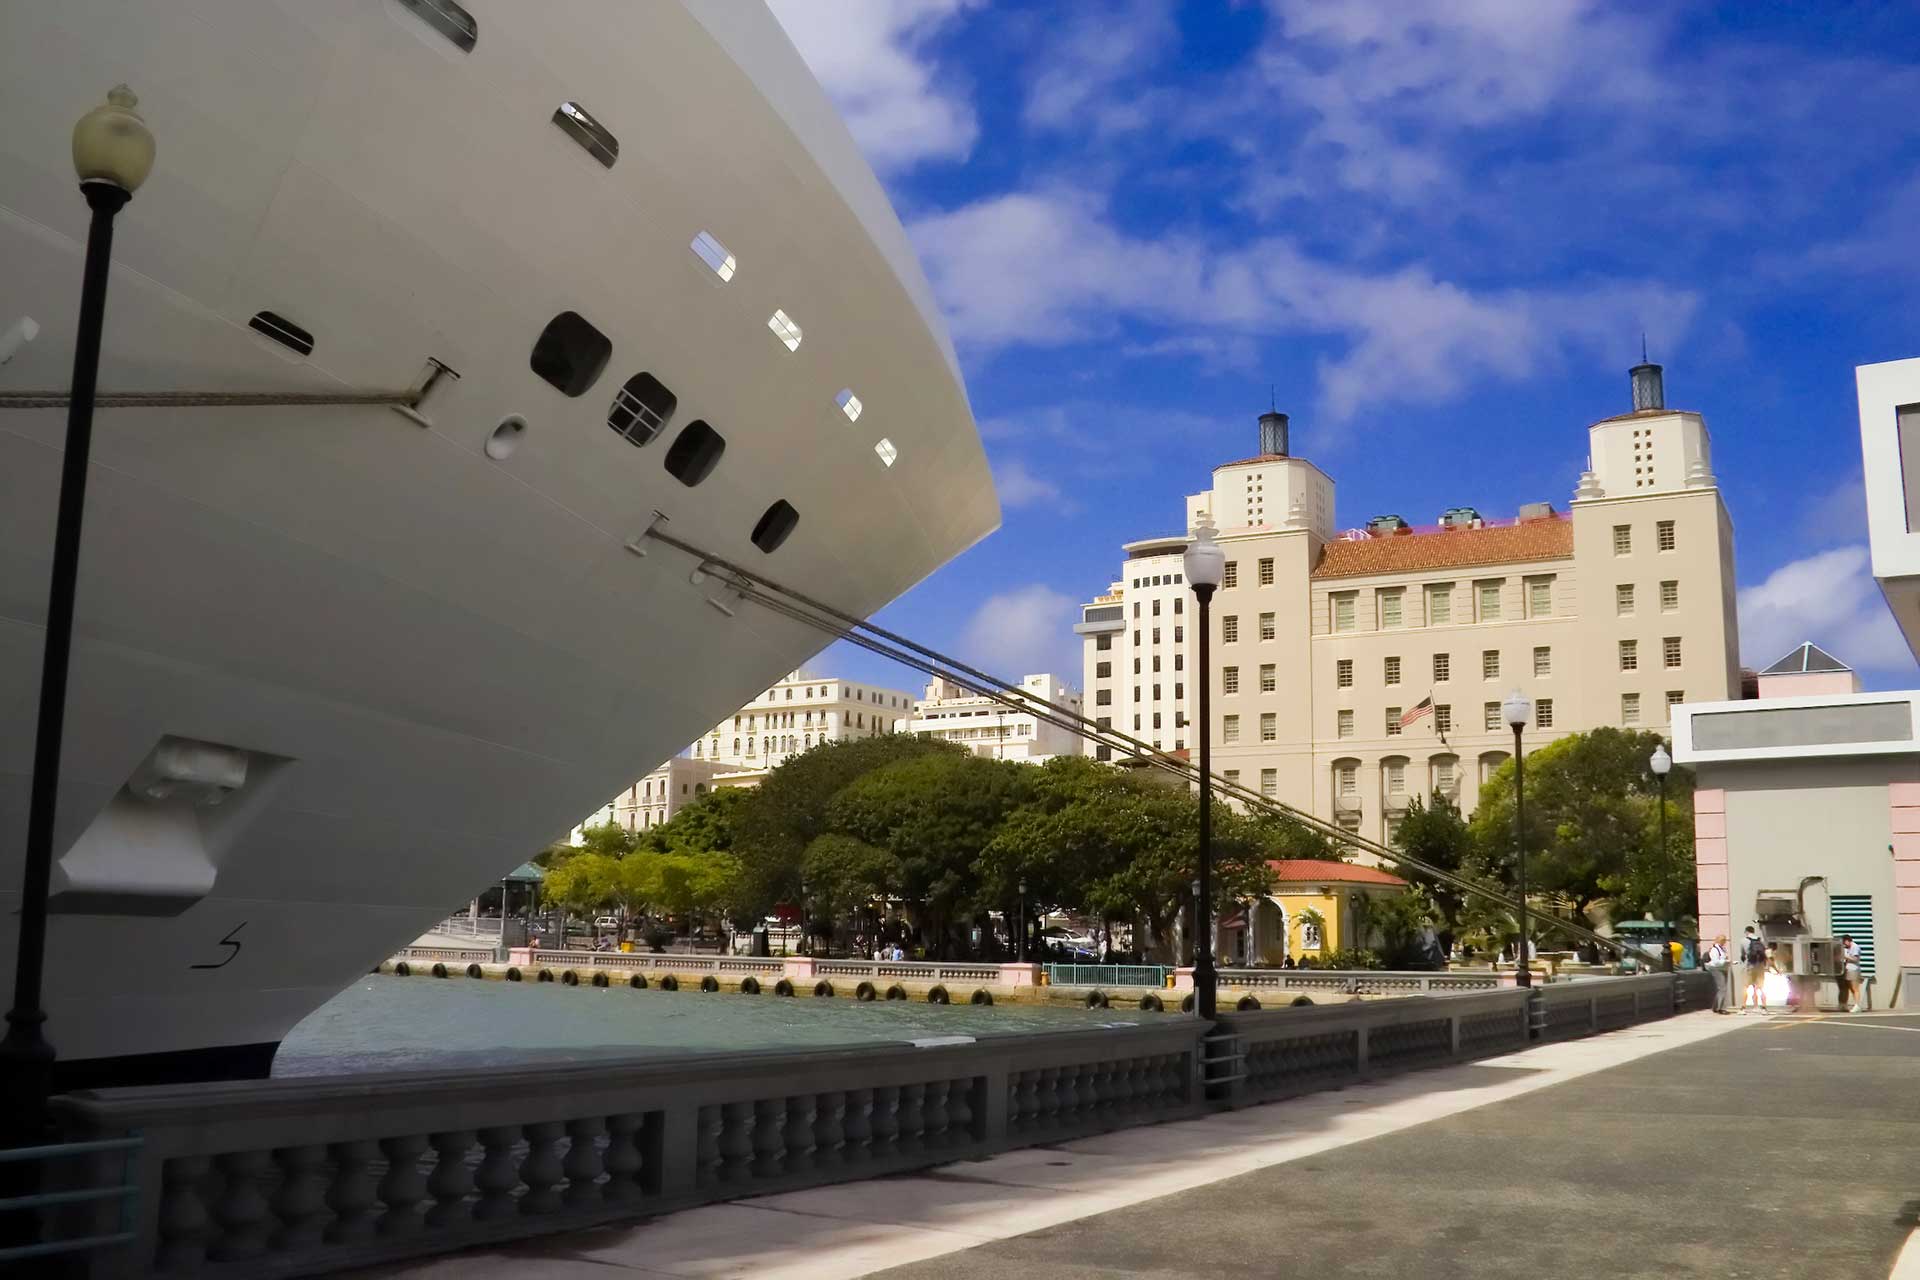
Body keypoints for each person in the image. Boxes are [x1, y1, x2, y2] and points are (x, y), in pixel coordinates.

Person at [1740, 926, 1769, 1014]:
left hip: (1749, 966)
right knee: (1760, 987)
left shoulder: (1743, 941)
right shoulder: (1761, 940)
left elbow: (1742, 955)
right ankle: (1764, 1007)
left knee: (1746, 986)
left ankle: (1743, 1008)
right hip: (1760, 966)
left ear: (1746, 932)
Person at [1704, 935, 1732, 1014]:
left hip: (1723, 969)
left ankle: (1716, 1007)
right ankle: (1721, 1008)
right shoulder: (1715, 949)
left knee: (1722, 988)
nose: (1724, 942)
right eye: (1723, 940)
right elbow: (1716, 962)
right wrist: (1725, 961)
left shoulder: (1722, 949)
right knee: (1722, 988)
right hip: (1717, 969)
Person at [1839, 933, 1865, 1013]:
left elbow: (1855, 959)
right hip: (1848, 970)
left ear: (1847, 941)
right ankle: (1854, 1005)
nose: (1844, 944)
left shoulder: (1855, 947)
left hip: (1854, 970)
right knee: (1850, 988)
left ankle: (1857, 1005)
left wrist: (1845, 956)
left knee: (1855, 988)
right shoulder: (1848, 948)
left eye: (1844, 942)